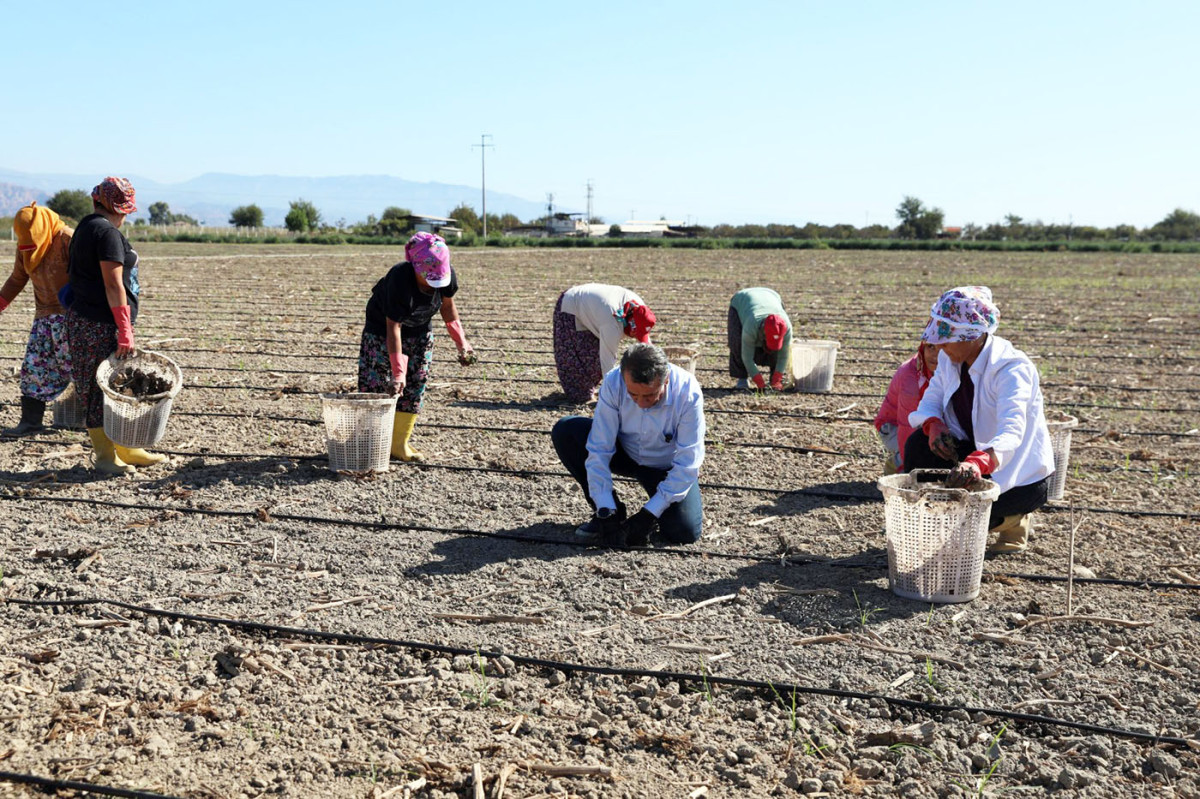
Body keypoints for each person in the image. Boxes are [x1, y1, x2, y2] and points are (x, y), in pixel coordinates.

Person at [905, 286, 1054, 553]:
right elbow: (931, 400)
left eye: (947, 338)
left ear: (973, 336)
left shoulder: (1011, 369)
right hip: (971, 452)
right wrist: (933, 425)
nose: (939, 346)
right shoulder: (952, 359)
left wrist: (978, 463)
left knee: (964, 516)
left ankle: (1014, 520)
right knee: (918, 444)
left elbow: (1012, 432)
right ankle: (945, 523)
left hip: (1016, 476)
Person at [551, 343, 705, 547]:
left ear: (665, 380)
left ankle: (654, 509)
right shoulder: (614, 382)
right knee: (567, 431)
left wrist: (648, 514)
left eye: (649, 395)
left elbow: (687, 463)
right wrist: (605, 507)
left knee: (684, 532)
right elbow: (599, 447)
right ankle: (609, 512)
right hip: (626, 453)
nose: (641, 403)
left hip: (664, 467)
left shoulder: (687, 391)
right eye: (634, 395)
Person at [65, 177, 166, 475]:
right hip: (98, 324)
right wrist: (124, 329)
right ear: (115, 208)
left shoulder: (86, 225)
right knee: (99, 390)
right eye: (124, 211)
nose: (125, 216)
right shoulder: (106, 233)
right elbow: (113, 284)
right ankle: (106, 456)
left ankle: (126, 448)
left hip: (88, 320)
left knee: (115, 386)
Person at [359, 231, 475, 461]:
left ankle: (398, 444)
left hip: (420, 330)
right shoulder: (400, 278)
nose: (434, 286)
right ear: (416, 267)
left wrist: (462, 343)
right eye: (429, 279)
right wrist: (398, 372)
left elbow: (448, 308)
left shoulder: (447, 275)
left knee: (416, 384)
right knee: (377, 384)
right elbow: (393, 327)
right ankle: (370, 443)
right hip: (382, 332)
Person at [1, 203, 73, 436]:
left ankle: (101, 427)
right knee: (35, 367)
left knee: (82, 371)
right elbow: (17, 279)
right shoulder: (26, 246)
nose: (30, 244)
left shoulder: (67, 239)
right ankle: (30, 422)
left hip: (73, 317)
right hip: (44, 318)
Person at [554, 283, 656, 403]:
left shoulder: (640, 311)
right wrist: (615, 396)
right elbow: (608, 362)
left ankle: (596, 390)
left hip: (595, 307)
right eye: (636, 333)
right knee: (582, 359)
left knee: (594, 360)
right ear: (630, 324)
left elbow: (648, 349)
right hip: (571, 305)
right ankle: (582, 394)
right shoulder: (612, 323)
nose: (635, 337)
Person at [873, 338, 938, 474]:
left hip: (925, 422)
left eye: (943, 347)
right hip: (893, 426)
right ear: (923, 347)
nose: (935, 354)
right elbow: (907, 426)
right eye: (931, 346)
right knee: (921, 450)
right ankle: (898, 463)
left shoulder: (951, 369)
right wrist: (908, 466)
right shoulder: (911, 379)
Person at [728, 287, 791, 391]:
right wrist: (758, 381)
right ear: (763, 331)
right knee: (737, 343)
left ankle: (773, 380)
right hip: (742, 300)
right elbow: (747, 356)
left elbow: (784, 356)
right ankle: (742, 379)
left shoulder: (787, 327)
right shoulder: (751, 325)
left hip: (772, 295)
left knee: (777, 350)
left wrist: (778, 377)